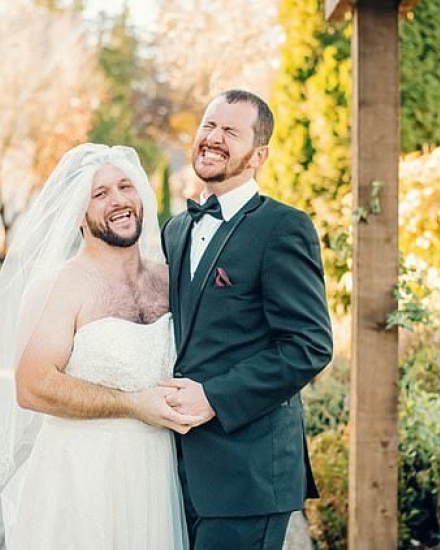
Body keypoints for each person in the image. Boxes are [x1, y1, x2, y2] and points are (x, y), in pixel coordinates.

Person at [0, 144, 193, 549]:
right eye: (100, 193)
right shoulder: (58, 286)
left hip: (155, 474)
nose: (118, 200)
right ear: (78, 215)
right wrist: (133, 404)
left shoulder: (170, 280)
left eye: (126, 186)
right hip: (81, 480)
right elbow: (31, 386)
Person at [160, 89, 334, 550]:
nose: (213, 138)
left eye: (230, 132)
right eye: (208, 126)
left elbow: (309, 346)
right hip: (176, 469)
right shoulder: (176, 229)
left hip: (248, 475)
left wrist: (214, 397)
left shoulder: (283, 228)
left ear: (258, 155)